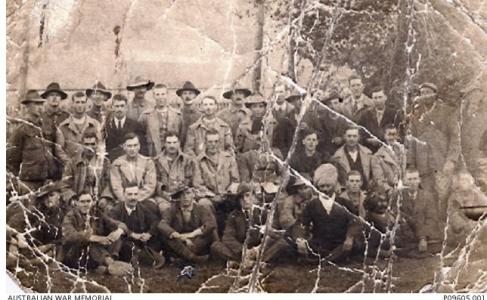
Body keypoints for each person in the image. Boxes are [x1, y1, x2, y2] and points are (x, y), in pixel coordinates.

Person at [408, 81, 460, 220]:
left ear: (435, 94)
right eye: (422, 93)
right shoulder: (416, 113)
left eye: (428, 93)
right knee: (425, 198)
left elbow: (455, 139)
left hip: (441, 162)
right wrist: (411, 164)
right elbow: (411, 140)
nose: (425, 96)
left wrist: (451, 160)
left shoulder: (447, 112)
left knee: (442, 197)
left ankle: (443, 230)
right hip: (423, 165)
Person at [300, 164, 360, 262]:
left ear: (334, 185)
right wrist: (301, 239)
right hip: (320, 244)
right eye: (322, 186)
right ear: (317, 187)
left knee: (356, 245)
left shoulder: (345, 203)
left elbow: (355, 223)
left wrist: (349, 237)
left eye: (328, 186)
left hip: (341, 243)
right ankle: (331, 259)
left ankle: (324, 259)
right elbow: (302, 223)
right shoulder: (312, 204)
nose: (325, 189)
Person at [8, 181, 68, 266]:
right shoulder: (39, 210)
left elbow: (66, 236)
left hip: (57, 248)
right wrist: (16, 239)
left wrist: (49, 246)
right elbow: (18, 220)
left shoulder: (66, 212)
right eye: (44, 197)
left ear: (59, 195)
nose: (48, 199)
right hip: (39, 246)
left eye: (51, 195)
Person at [62, 192, 127, 270]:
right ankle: (110, 263)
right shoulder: (70, 216)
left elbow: (117, 224)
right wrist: (95, 238)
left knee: (116, 237)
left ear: (92, 202)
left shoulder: (96, 213)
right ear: (76, 203)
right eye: (82, 202)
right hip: (76, 253)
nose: (86, 204)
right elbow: (69, 236)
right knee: (90, 243)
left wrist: (118, 231)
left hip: (96, 253)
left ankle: (106, 264)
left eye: (88, 201)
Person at [7, 90, 55, 193]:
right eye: (36, 104)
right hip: (28, 183)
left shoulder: (46, 127)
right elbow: (12, 160)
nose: (40, 107)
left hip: (46, 181)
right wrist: (17, 184)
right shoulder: (21, 130)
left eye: (41, 103)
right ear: (28, 106)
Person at [109, 185, 165, 268]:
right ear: (124, 195)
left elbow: (155, 221)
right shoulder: (116, 210)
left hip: (140, 241)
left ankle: (142, 257)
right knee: (123, 243)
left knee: (158, 239)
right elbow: (112, 225)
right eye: (130, 194)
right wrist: (132, 234)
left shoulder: (141, 208)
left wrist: (148, 234)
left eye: (135, 194)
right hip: (124, 241)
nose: (133, 198)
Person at [158, 186, 217, 263]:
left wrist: (192, 234)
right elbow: (162, 224)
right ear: (178, 197)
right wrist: (179, 236)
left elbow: (210, 223)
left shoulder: (201, 208)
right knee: (167, 236)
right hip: (179, 240)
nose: (185, 197)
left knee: (208, 233)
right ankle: (193, 258)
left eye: (188, 193)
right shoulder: (171, 209)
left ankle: (182, 258)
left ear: (193, 195)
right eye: (182, 195)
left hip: (195, 240)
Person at [211, 183, 263, 263]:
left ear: (254, 197)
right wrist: (244, 251)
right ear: (238, 200)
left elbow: (268, 234)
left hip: (258, 249)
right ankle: (246, 261)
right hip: (241, 250)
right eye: (242, 198)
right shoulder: (234, 215)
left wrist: (256, 249)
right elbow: (227, 237)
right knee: (215, 246)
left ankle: (240, 262)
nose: (245, 200)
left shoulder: (262, 212)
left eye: (248, 196)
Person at [62, 129, 113, 207]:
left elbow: (110, 183)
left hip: (99, 201)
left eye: (93, 144)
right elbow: (64, 185)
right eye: (86, 144)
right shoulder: (72, 163)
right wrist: (73, 199)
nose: (90, 147)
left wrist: (105, 197)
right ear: (82, 144)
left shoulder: (105, 162)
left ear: (97, 144)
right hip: (79, 201)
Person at [193, 129, 240, 206]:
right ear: (205, 143)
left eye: (216, 141)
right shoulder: (198, 161)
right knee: (203, 204)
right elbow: (198, 184)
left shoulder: (229, 158)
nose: (213, 144)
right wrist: (212, 196)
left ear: (220, 142)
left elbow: (235, 180)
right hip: (209, 198)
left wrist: (227, 194)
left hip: (227, 196)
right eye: (210, 142)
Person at [110, 133, 157, 205]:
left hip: (144, 199)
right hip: (124, 200)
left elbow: (150, 186)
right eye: (129, 146)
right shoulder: (117, 164)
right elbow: (116, 187)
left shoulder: (148, 162)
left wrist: (135, 199)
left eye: (135, 145)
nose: (132, 149)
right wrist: (127, 200)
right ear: (124, 147)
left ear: (139, 146)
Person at [153, 132, 195, 213]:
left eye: (175, 142)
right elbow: (155, 182)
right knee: (165, 209)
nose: (172, 145)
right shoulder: (156, 161)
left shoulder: (187, 160)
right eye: (169, 143)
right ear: (164, 144)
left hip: (183, 195)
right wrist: (165, 194)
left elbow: (189, 179)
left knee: (191, 208)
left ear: (179, 143)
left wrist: (182, 188)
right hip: (163, 196)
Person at [55, 92, 101, 165]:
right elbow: (59, 151)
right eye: (77, 102)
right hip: (71, 169)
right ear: (72, 104)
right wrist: (71, 165)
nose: (80, 105)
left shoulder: (95, 125)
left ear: (86, 104)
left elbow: (100, 147)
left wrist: (93, 164)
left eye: (82, 102)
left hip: (91, 167)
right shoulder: (63, 127)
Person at [138, 83, 183, 156]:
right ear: (154, 96)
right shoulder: (145, 116)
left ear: (167, 95)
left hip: (173, 154)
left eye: (163, 94)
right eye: (157, 94)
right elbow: (140, 137)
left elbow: (181, 136)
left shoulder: (177, 115)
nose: (160, 97)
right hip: (153, 153)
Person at [357, 88, 404, 152]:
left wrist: (384, 140)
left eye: (380, 97)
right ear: (372, 99)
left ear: (385, 97)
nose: (378, 100)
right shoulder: (365, 114)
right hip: (370, 150)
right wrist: (367, 140)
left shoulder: (394, 114)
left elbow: (400, 134)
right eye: (375, 98)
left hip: (389, 150)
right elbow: (360, 133)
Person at [40, 82, 70, 180]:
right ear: (46, 98)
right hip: (46, 165)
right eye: (51, 95)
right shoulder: (41, 118)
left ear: (61, 98)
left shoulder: (67, 117)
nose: (54, 98)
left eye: (57, 95)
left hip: (64, 164)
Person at [105, 94, 146, 161]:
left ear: (126, 107)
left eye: (122, 106)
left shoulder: (135, 125)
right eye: (117, 106)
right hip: (111, 161)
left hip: (131, 162)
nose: (119, 109)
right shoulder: (106, 126)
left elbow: (142, 147)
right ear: (112, 107)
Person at [371, 124, 405, 191]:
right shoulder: (377, 157)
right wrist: (392, 191)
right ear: (384, 136)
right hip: (388, 192)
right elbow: (380, 181)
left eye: (394, 134)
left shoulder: (403, 152)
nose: (392, 138)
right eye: (389, 135)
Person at [176, 81, 201, 146]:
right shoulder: (177, 114)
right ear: (181, 96)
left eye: (190, 93)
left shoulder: (200, 115)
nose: (187, 96)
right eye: (185, 93)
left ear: (195, 96)